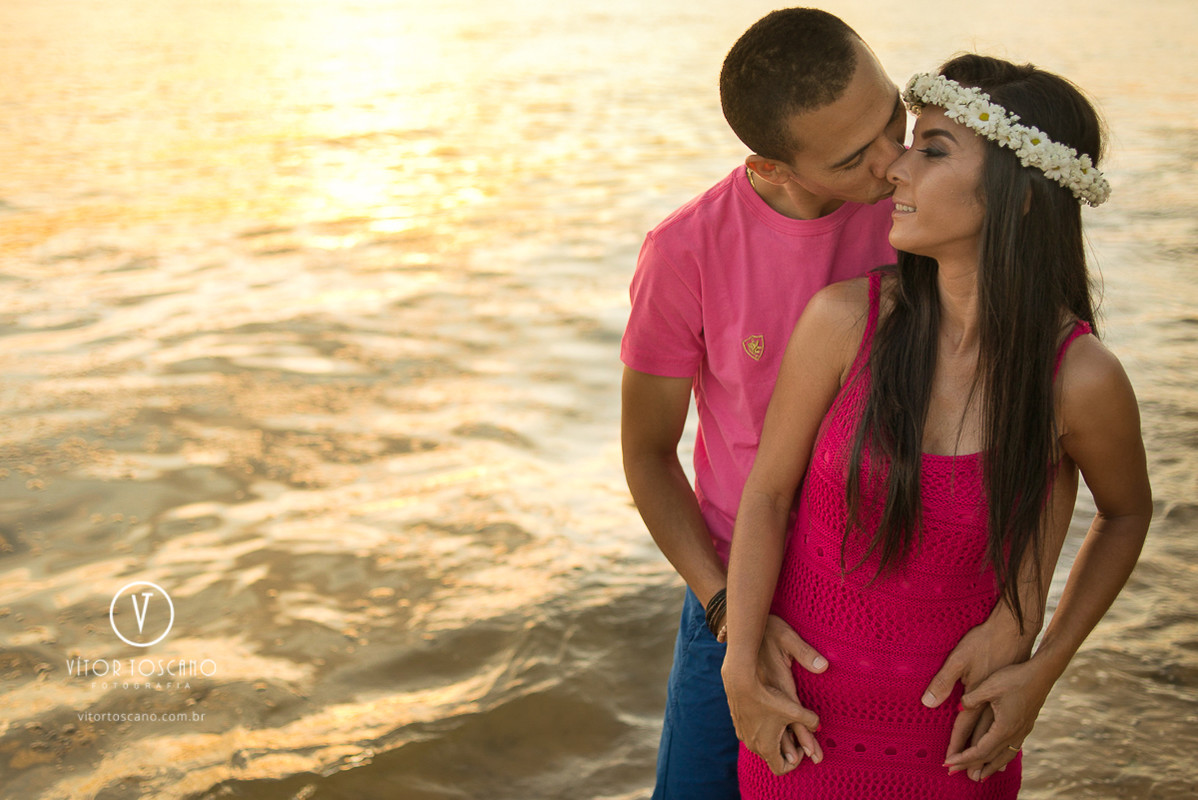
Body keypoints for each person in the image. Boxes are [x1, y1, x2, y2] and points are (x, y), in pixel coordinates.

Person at [621, 10, 1042, 798]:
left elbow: (1039, 423)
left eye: (893, 122)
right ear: (773, 166)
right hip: (734, 588)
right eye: (854, 158)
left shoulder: (925, 213)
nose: (892, 163)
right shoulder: (684, 253)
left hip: (896, 595)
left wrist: (1021, 622)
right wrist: (728, 615)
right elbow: (647, 453)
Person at [722, 53, 1152, 799]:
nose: (896, 168)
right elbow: (766, 496)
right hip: (795, 730)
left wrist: (1039, 664)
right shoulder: (843, 321)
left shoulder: (1080, 379)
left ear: (1021, 195)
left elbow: (1125, 514)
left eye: (933, 150)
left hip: (955, 745)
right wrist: (740, 667)